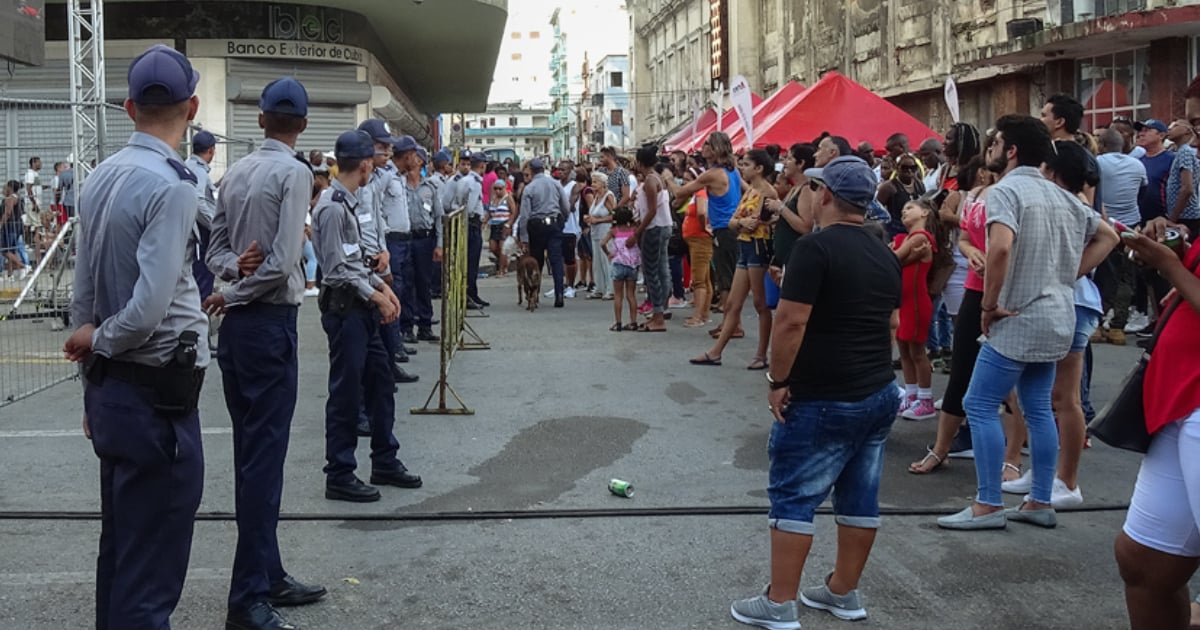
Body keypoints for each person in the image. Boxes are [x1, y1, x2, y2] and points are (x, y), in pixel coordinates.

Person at [65, 44, 208, 630]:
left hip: (115, 393)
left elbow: (82, 289)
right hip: (156, 398)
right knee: (150, 574)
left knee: (122, 553)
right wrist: (100, 342)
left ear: (128, 108)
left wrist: (91, 373)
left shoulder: (99, 177)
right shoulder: (173, 186)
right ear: (192, 106)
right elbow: (147, 310)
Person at [729, 155, 901, 629]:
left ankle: (780, 602)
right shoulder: (884, 250)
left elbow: (791, 321)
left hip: (825, 393)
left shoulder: (815, 249)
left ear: (824, 195)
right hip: (878, 389)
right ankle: (842, 592)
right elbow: (890, 322)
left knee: (793, 495)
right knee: (860, 496)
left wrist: (779, 381)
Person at [937, 115, 1110, 531]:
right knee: (1036, 408)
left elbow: (999, 249)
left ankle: (988, 504)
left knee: (979, 404)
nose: (990, 149)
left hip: (1018, 315)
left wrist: (989, 304)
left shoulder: (1007, 191)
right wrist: (1068, 274)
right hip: (1058, 314)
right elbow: (1110, 236)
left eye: (995, 142)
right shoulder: (1063, 196)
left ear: (1010, 150)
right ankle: (1039, 501)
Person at [202, 76, 327, 630]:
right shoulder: (294, 172)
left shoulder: (237, 173)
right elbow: (280, 264)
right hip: (269, 323)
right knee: (263, 463)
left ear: (260, 120)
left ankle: (267, 571)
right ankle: (247, 597)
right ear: (301, 125)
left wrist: (231, 277)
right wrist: (234, 288)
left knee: (252, 457)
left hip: (239, 333)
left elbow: (218, 251)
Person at [311, 129, 420, 504]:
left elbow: (357, 260)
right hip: (345, 310)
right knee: (345, 392)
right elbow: (337, 269)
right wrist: (377, 292)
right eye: (373, 164)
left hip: (363, 308)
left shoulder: (350, 202)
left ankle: (384, 458)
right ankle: (339, 472)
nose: (374, 170)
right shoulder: (330, 207)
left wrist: (381, 288)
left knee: (381, 383)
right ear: (363, 166)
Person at [691, 149, 779, 366]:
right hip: (746, 246)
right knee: (733, 303)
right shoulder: (751, 191)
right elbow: (735, 221)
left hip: (758, 247)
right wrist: (742, 223)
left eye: (747, 164)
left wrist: (743, 223)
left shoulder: (768, 193)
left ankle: (761, 355)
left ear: (759, 168)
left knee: (760, 304)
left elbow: (759, 222)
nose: (742, 168)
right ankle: (717, 351)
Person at [673, 131, 741, 314]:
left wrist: (666, 179)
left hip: (724, 228)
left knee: (725, 279)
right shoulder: (732, 171)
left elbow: (680, 192)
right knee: (727, 277)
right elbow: (748, 190)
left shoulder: (713, 174)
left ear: (715, 148)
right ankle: (731, 322)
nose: (703, 147)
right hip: (731, 226)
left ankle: (732, 323)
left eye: (707, 144)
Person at [892, 198, 947, 421]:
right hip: (905, 302)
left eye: (910, 208)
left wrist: (895, 251)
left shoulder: (920, 237)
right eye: (903, 208)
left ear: (925, 213)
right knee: (905, 350)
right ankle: (912, 394)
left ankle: (925, 399)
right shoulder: (907, 238)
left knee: (916, 351)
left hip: (916, 302)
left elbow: (891, 259)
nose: (904, 211)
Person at [1093, 127, 1147, 344]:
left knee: (1099, 275)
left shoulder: (1097, 163)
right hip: (1130, 226)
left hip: (1104, 226)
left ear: (1103, 145)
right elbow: (1144, 191)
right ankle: (1118, 328)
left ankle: (1096, 324)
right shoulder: (1138, 165)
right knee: (1126, 276)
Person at [514, 158, 570, 307]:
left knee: (536, 262)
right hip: (553, 223)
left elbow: (525, 215)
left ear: (531, 171)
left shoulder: (529, 188)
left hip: (536, 226)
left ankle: (534, 295)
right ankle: (559, 295)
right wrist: (563, 220)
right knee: (556, 260)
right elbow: (565, 206)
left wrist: (524, 236)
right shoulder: (555, 183)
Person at [630, 144, 672, 332]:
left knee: (651, 272)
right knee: (662, 269)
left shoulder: (649, 181)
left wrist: (637, 232)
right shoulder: (659, 178)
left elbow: (652, 210)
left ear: (640, 163)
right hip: (664, 225)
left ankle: (658, 314)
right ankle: (661, 308)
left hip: (654, 228)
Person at [187, 130, 218, 301]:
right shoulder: (199, 171)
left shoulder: (189, 165)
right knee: (204, 275)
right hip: (202, 230)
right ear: (211, 150)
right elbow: (198, 201)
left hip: (195, 228)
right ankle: (201, 318)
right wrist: (214, 225)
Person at [679, 167, 712, 326]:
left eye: (688, 180)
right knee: (704, 278)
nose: (685, 183)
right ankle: (704, 313)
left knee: (699, 279)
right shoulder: (696, 194)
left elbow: (701, 213)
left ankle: (698, 317)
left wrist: (704, 227)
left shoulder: (700, 193)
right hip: (696, 238)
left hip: (700, 238)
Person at [601, 206, 640, 331]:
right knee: (631, 295)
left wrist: (608, 253)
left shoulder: (614, 231)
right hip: (632, 264)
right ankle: (633, 322)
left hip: (618, 263)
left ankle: (618, 323)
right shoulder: (634, 230)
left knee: (618, 295)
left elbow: (602, 243)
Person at [875, 152, 925, 238]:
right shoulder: (889, 187)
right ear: (897, 168)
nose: (909, 171)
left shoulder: (919, 184)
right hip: (894, 232)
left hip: (916, 230)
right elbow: (876, 211)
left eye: (913, 168)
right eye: (904, 168)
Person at [585, 170, 616, 299]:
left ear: (603, 183)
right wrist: (589, 218)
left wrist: (598, 220)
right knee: (597, 260)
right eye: (592, 181)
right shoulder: (595, 197)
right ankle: (599, 287)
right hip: (595, 231)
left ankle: (611, 288)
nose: (593, 184)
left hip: (605, 230)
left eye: (596, 181)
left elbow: (615, 215)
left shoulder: (608, 196)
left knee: (606, 259)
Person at [1166, 120, 1200, 234]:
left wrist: (1173, 218)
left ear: (1187, 130)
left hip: (1186, 216)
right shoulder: (1183, 151)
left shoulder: (1185, 151)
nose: (1170, 129)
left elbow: (1187, 188)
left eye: (1175, 126)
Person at [2, 180, 29, 278]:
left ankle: (23, 266)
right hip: (16, 226)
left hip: (9, 227)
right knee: (11, 251)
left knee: (4, 250)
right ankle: (10, 274)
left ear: (10, 187)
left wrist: (1, 224)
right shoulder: (18, 198)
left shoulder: (10, 199)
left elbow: (7, 213)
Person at [487, 178, 514, 277]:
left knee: (503, 248)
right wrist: (485, 220)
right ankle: (504, 261)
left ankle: (501, 270)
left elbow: (513, 212)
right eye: (495, 188)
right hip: (494, 225)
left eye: (500, 189)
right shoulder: (493, 198)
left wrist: (509, 224)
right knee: (493, 247)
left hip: (503, 224)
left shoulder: (508, 198)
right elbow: (490, 212)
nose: (497, 191)